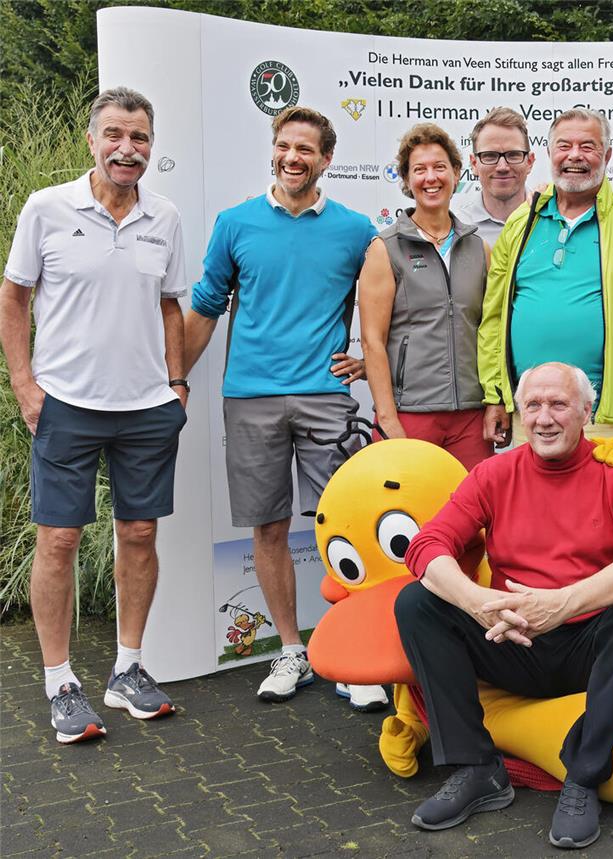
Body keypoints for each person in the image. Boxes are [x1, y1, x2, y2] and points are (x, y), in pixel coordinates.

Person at [395, 362, 613, 849]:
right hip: (509, 640)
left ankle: (584, 776)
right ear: (520, 415)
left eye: (559, 404)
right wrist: (479, 601)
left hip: (588, 648)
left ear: (586, 412)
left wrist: (563, 604)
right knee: (417, 602)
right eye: (533, 406)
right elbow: (426, 545)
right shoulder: (493, 473)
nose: (545, 418)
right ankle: (479, 769)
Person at [0, 87, 187, 742]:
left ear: (150, 147)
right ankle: (60, 680)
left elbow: (171, 305)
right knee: (59, 539)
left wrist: (177, 383)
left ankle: (127, 669)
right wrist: (24, 383)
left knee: (139, 535)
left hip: (146, 408)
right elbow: (14, 296)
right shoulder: (47, 208)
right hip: (66, 405)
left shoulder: (164, 216)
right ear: (91, 140)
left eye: (138, 138)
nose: (126, 149)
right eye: (114, 135)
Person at [184, 106, 381, 707]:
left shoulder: (356, 230)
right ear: (273, 149)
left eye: (306, 150)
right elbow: (206, 303)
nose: (293, 158)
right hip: (251, 396)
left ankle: (356, 657)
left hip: (326, 397)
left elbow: (386, 313)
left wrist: (372, 363)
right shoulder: (235, 223)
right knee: (268, 527)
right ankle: (291, 651)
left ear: (326, 159)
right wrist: (174, 379)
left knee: (341, 528)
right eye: (285, 146)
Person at [478, 108, 613, 450]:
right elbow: (493, 317)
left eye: (588, 146)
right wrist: (495, 395)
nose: (574, 155)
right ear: (548, 154)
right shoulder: (520, 223)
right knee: (532, 505)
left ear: (607, 155)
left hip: (611, 417)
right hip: (530, 414)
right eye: (564, 146)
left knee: (608, 505)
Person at [358, 123, 492, 470]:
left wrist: (494, 402)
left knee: (475, 522)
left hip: (470, 418)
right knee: (410, 520)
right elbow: (373, 341)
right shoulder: (384, 249)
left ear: (457, 173)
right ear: (406, 178)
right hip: (409, 414)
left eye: (439, 167)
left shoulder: (479, 249)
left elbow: (491, 332)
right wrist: (387, 419)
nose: (430, 178)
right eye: (419, 169)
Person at [454, 107, 535, 245]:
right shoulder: (457, 228)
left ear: (529, 162)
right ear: (474, 164)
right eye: (490, 156)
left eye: (513, 155)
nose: (502, 167)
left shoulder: (551, 221)